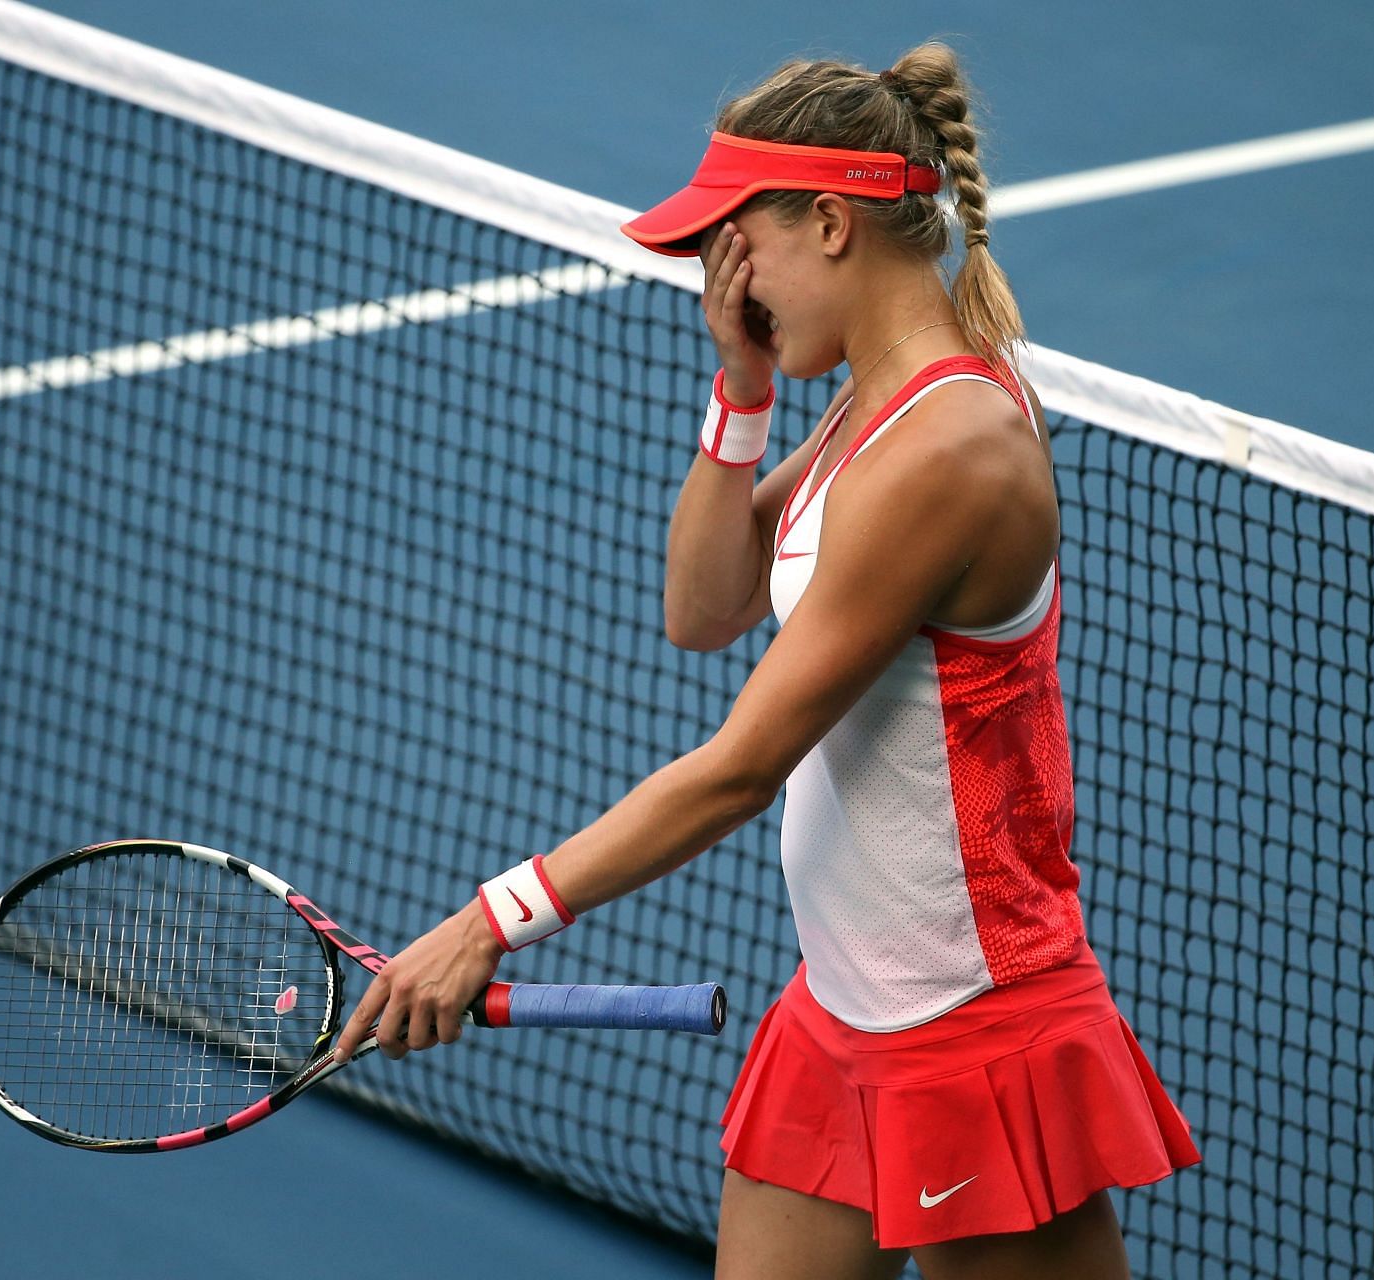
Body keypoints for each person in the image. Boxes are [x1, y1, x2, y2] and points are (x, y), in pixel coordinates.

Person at [332, 42, 1200, 1279]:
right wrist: (742, 386)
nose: (721, 275)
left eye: (735, 242)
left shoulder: (946, 449)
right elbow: (707, 605)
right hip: (842, 1017)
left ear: (832, 225)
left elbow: (742, 768)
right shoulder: (868, 404)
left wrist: (491, 918)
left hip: (974, 1035)